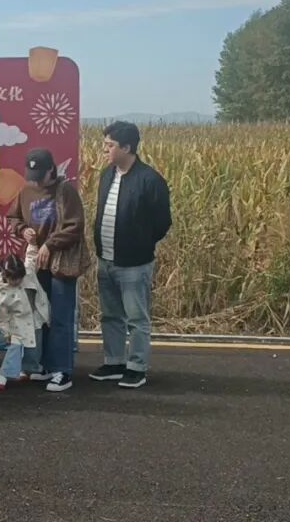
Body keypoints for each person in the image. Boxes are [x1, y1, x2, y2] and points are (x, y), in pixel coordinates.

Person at [89, 121, 171, 390]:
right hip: (106, 259)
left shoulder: (150, 180)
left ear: (126, 147)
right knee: (110, 315)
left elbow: (162, 222)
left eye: (109, 145)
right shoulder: (107, 175)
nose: (105, 150)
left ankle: (136, 367)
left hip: (134, 263)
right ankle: (114, 362)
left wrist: (140, 243)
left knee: (137, 318)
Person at [7, 148, 89, 393]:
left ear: (51, 170)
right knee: (39, 315)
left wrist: (50, 244)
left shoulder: (65, 191)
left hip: (61, 263)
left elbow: (75, 226)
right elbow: (14, 218)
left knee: (61, 316)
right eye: (31, 175)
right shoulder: (25, 191)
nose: (35, 181)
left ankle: (63, 370)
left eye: (39, 176)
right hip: (37, 263)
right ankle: (43, 365)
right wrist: (22, 230)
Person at [0, 253, 49, 390]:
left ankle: (26, 369)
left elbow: (31, 257)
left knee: (34, 349)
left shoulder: (29, 273)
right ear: (5, 276)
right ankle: (3, 375)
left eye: (19, 278)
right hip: (16, 322)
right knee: (14, 349)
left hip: (35, 317)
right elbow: (1, 316)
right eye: (13, 279)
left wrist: (32, 244)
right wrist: (6, 332)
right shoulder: (1, 291)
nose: (16, 281)